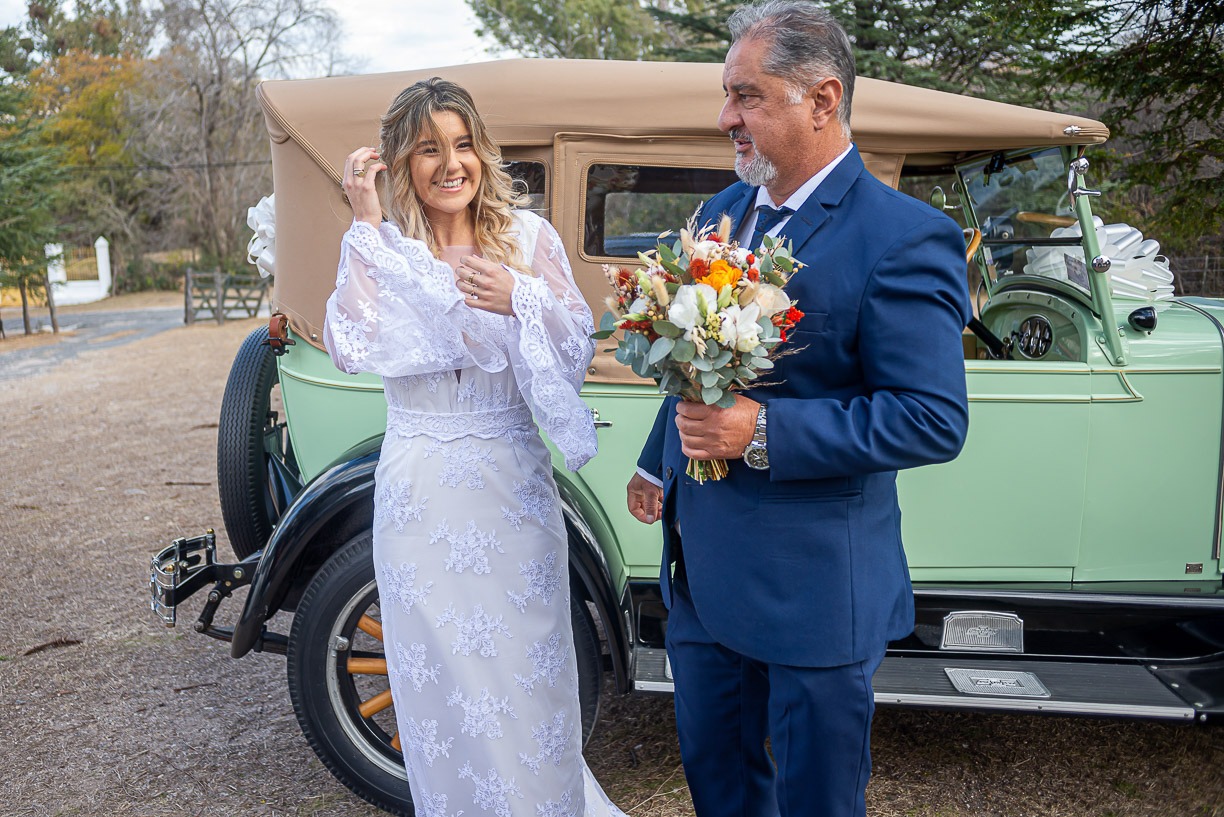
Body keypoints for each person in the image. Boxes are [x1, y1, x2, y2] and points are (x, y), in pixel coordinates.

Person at [626, 3, 972, 816]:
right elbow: (693, 359)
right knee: (721, 787)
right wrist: (656, 456)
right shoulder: (719, 214)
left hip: (814, 590)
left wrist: (763, 433)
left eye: (746, 96)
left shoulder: (905, 236)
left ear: (821, 99)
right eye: (726, 95)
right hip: (703, 577)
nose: (725, 118)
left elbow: (931, 416)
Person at [324, 78, 624, 817]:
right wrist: (365, 221)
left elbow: (575, 347)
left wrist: (519, 295)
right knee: (443, 687)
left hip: (510, 488)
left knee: (526, 676)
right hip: (420, 496)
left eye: (461, 144)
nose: (450, 163)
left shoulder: (528, 239)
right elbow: (347, 342)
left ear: (482, 154)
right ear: (400, 162)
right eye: (429, 148)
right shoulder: (380, 248)